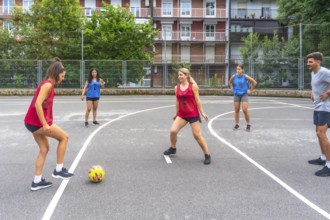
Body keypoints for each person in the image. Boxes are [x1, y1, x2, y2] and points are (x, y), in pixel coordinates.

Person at [24, 58, 74, 191]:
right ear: (56, 73)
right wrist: (45, 124)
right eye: (62, 76)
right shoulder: (48, 85)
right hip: (37, 123)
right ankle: (58, 170)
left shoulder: (47, 84)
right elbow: (37, 104)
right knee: (64, 137)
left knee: (44, 149)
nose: (62, 79)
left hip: (31, 123)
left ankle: (37, 181)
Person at [163, 68, 211, 165]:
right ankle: (173, 148)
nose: (179, 77)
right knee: (173, 131)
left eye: (181, 75)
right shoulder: (177, 88)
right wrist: (176, 113)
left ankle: (207, 155)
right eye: (178, 75)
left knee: (197, 135)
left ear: (186, 76)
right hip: (182, 114)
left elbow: (198, 100)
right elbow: (177, 101)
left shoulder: (193, 87)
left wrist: (202, 112)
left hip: (193, 114)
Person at [306, 52, 330, 177]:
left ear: (318, 62)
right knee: (318, 133)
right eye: (308, 62)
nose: (308, 64)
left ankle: (329, 165)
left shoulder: (325, 72)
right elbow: (315, 84)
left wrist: (327, 93)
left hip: (325, 107)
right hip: (317, 106)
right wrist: (312, 92)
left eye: (310, 62)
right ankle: (322, 157)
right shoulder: (313, 73)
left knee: (321, 133)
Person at [228, 64, 257, 131]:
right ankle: (237, 124)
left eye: (239, 69)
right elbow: (230, 82)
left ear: (242, 70)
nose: (237, 70)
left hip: (244, 94)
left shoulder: (245, 76)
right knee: (237, 110)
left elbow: (254, 82)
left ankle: (248, 124)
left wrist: (250, 90)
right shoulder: (234, 76)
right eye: (237, 69)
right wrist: (232, 89)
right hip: (236, 94)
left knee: (244, 110)